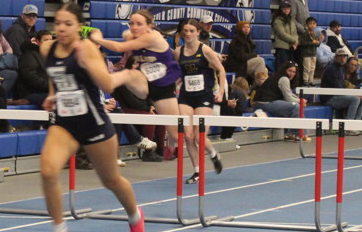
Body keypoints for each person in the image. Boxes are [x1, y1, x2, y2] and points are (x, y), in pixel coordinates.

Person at [36, 3, 144, 232]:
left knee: (110, 180)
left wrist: (90, 64)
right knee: (48, 172)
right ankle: (59, 231)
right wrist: (52, 94)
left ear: (79, 27)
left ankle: (135, 216)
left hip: (94, 122)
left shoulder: (86, 50)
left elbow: (107, 84)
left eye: (68, 24)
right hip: (65, 123)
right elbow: (55, 74)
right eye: (58, 23)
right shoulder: (47, 48)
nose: (62, 28)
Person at [88, 9, 184, 166]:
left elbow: (119, 48)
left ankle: (190, 151)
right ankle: (102, 83)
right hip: (145, 84)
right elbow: (127, 34)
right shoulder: (133, 34)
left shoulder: (152, 37)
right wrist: (129, 33)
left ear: (150, 25)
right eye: (131, 23)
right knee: (128, 73)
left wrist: (99, 39)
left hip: (163, 87)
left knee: (175, 133)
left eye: (139, 24)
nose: (134, 27)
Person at [175, 20, 225, 182]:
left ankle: (213, 154)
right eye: (185, 31)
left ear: (198, 32)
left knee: (199, 137)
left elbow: (221, 70)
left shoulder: (205, 50)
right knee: (188, 137)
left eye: (191, 31)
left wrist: (221, 92)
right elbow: (180, 74)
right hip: (186, 96)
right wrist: (173, 85)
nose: (188, 34)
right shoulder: (178, 52)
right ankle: (197, 170)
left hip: (204, 96)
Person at [252, 61, 308, 141]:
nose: (292, 74)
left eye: (294, 72)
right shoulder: (284, 79)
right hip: (264, 103)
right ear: (285, 70)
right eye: (290, 71)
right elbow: (289, 98)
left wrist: (299, 100)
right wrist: (300, 101)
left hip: (265, 102)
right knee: (296, 107)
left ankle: (288, 134)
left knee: (288, 107)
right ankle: (299, 134)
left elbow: (289, 94)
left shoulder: (278, 76)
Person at [320, 48, 362, 131]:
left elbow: (343, 86)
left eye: (344, 56)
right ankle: (349, 127)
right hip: (329, 97)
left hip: (338, 95)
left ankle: (357, 123)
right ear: (335, 57)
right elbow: (338, 88)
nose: (342, 58)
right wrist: (354, 94)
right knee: (355, 99)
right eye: (340, 56)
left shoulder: (341, 68)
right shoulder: (331, 69)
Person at [326, 19, 362, 83]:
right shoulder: (330, 38)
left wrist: (353, 55)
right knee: (359, 64)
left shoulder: (340, 36)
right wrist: (349, 57)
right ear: (331, 28)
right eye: (335, 27)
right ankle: (355, 82)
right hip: (345, 59)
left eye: (339, 27)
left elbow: (348, 47)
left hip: (351, 57)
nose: (338, 29)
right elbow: (336, 51)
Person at [15, 29, 53, 106]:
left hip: (46, 91)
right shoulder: (29, 55)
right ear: (38, 42)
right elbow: (31, 78)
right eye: (46, 40)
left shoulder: (51, 57)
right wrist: (51, 87)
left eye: (50, 41)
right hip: (31, 93)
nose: (49, 43)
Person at [286, 0, 310, 66]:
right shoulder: (293, 0)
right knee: (297, 61)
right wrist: (303, 29)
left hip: (304, 35)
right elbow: (291, 18)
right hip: (297, 36)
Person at [219, 76, 250, 140]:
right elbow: (242, 108)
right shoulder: (241, 93)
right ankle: (228, 137)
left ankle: (225, 136)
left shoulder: (231, 90)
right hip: (234, 114)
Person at [272, 1, 298, 71]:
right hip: (282, 48)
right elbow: (282, 34)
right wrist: (294, 40)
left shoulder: (291, 19)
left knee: (290, 68)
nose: (286, 10)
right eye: (284, 8)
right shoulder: (278, 20)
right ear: (281, 9)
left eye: (288, 8)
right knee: (282, 68)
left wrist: (295, 41)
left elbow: (295, 32)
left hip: (291, 47)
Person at [300, 16, 320, 85]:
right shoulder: (305, 33)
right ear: (307, 25)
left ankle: (311, 81)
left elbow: (318, 43)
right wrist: (312, 42)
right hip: (307, 54)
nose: (312, 25)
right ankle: (305, 81)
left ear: (316, 25)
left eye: (314, 24)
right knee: (306, 69)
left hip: (313, 54)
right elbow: (303, 43)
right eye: (310, 23)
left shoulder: (315, 33)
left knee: (312, 68)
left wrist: (318, 43)